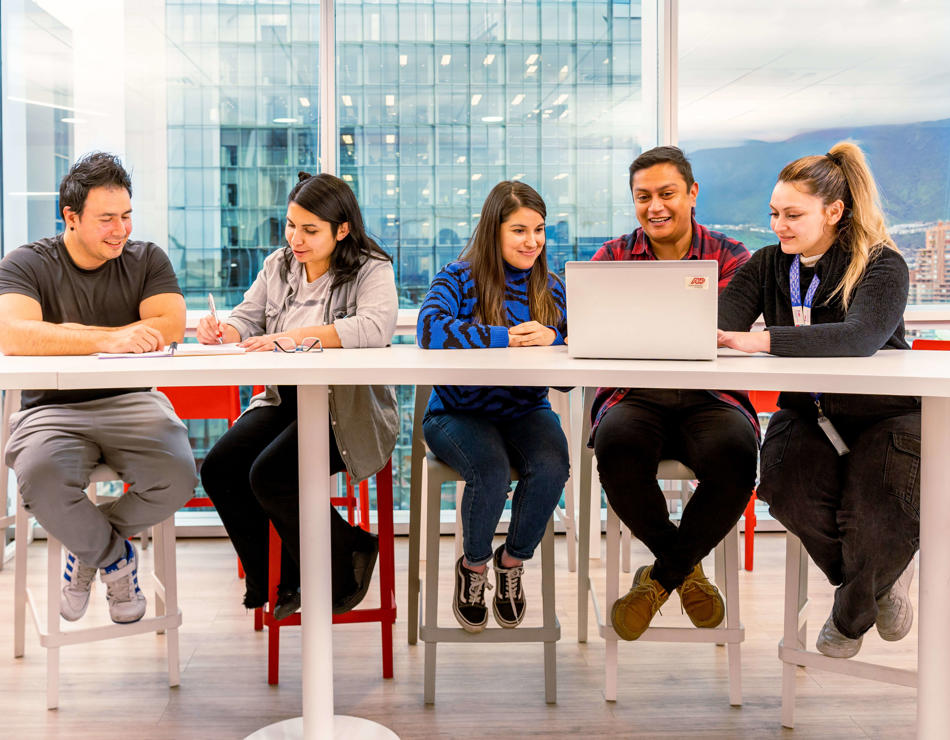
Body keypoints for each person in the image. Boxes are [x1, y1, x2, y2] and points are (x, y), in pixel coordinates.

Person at [718, 141, 919, 658]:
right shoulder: (767, 265)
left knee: (876, 513)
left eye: (792, 214)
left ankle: (852, 614)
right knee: (788, 494)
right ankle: (880, 581)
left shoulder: (882, 263)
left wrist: (763, 339)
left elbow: (858, 339)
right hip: (808, 413)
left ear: (834, 211)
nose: (778, 225)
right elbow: (718, 326)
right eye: (774, 214)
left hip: (888, 416)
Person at [0, 152, 197, 624]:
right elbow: (13, 333)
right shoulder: (27, 262)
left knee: (178, 475)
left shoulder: (147, 258)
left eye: (126, 216)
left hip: (134, 403)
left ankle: (89, 552)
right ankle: (117, 559)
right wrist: (109, 338)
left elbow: (169, 325)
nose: (121, 229)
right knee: (40, 476)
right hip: (50, 411)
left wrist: (65, 336)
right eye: (106, 219)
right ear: (71, 217)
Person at [198, 172, 398, 618]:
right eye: (291, 225)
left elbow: (373, 327)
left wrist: (293, 337)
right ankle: (282, 578)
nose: (296, 239)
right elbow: (246, 318)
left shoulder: (371, 267)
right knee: (220, 468)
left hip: (346, 411)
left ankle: (346, 555)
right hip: (282, 401)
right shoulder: (279, 265)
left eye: (310, 230)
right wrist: (222, 331)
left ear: (341, 229)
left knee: (269, 475)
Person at [590, 146, 760, 641]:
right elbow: (589, 324)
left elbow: (725, 325)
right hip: (634, 395)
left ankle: (659, 579)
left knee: (735, 453)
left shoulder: (731, 256)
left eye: (666, 194)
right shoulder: (612, 256)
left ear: (692, 194)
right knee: (615, 445)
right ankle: (685, 569)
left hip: (712, 397)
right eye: (643, 197)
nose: (655, 206)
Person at [417, 181, 570, 632]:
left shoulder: (553, 287)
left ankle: (512, 562)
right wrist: (508, 335)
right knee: (491, 471)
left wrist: (556, 337)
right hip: (456, 412)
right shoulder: (458, 276)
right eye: (519, 230)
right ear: (494, 231)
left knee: (552, 466)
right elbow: (429, 329)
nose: (532, 242)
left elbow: (582, 345)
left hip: (525, 409)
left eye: (538, 230)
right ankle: (476, 566)